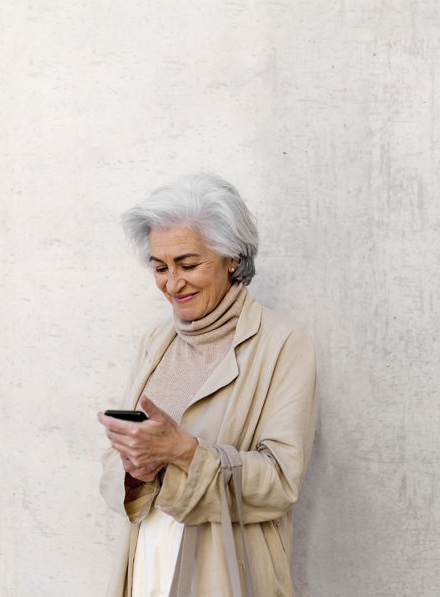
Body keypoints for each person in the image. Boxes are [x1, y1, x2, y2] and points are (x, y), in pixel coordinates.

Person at [97, 173, 318, 597]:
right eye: (160, 268)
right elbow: (114, 471)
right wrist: (134, 467)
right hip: (147, 565)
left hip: (226, 573)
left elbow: (280, 481)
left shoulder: (283, 343)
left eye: (188, 264)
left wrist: (183, 452)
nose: (173, 284)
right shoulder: (155, 343)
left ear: (232, 257)